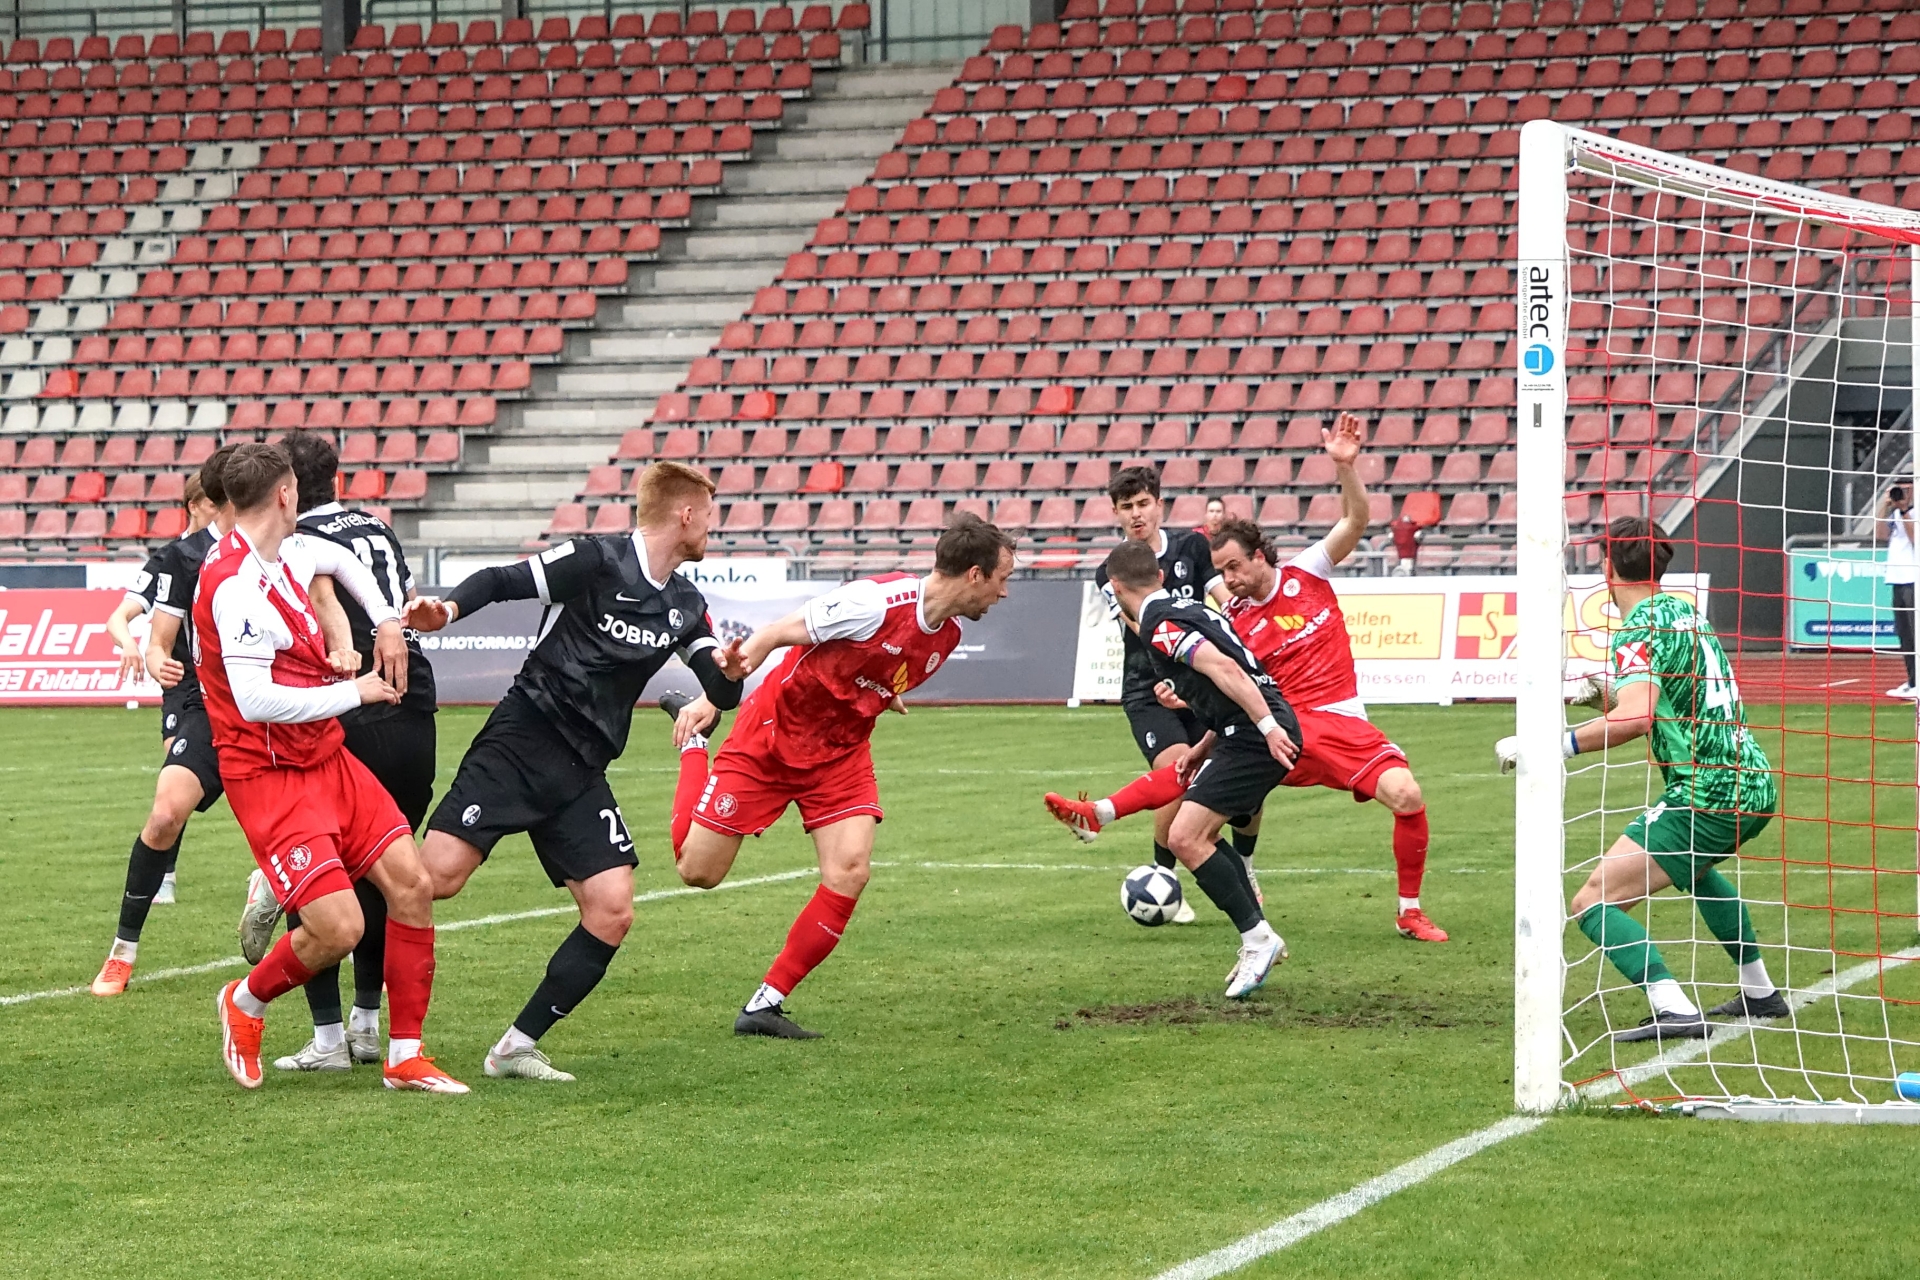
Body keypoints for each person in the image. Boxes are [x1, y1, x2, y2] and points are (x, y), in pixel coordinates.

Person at [1045, 414, 1449, 943]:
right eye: (1223, 572)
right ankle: (1109, 816)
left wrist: (1345, 467)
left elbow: (1355, 521)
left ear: (1260, 557)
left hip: (1341, 722)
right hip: (1280, 725)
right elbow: (1236, 683)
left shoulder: (1309, 571)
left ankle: (1409, 911)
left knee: (1407, 794)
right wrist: (1196, 720)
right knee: (1193, 775)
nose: (1229, 580)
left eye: (1235, 568)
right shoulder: (1234, 621)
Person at [404, 461, 745, 1082]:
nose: (713, 528)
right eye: (711, 513)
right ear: (686, 513)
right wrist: (447, 611)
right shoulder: (595, 560)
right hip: (523, 738)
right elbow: (503, 579)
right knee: (434, 880)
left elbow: (718, 689)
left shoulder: (686, 603)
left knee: (612, 908)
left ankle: (514, 1047)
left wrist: (735, 670)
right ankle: (312, 878)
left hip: (583, 767)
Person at [665, 514, 1016, 1038]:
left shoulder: (948, 635)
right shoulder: (873, 602)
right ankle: (694, 746)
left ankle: (765, 1005)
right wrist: (712, 698)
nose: (1004, 593)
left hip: (841, 755)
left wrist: (881, 691)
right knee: (697, 871)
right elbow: (775, 635)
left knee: (849, 871)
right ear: (973, 574)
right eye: (1002, 579)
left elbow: (880, 667)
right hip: (771, 738)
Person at [197, 443, 463, 1092]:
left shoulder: (288, 549)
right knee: (340, 927)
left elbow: (339, 558)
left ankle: (403, 1055)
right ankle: (246, 1003)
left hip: (326, 756)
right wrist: (359, 690)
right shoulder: (233, 586)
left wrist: (387, 624)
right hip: (270, 775)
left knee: (412, 884)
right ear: (286, 495)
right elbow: (256, 700)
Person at [1497, 516, 1786, 1041]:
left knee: (1592, 902)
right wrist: (1599, 694)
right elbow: (1664, 701)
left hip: (1708, 792)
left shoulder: (1637, 629)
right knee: (1694, 873)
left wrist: (1547, 747)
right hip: (1753, 779)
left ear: (1607, 566)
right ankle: (1760, 992)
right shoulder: (1684, 613)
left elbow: (1636, 718)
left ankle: (1673, 1007)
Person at [1102, 539, 1298, 999]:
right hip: (1237, 732)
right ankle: (1259, 935)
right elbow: (1222, 683)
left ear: (1114, 586)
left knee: (1185, 837)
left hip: (1254, 733)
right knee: (1198, 835)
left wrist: (1267, 728)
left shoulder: (1158, 621)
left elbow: (1226, 669)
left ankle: (1258, 940)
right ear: (1161, 575)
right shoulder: (1184, 606)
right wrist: (1203, 745)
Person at [1058, 466, 1235, 924]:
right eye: (1126, 507)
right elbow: (1137, 625)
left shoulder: (1192, 548)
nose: (1137, 515)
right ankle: (1164, 876)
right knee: (1178, 770)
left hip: (1200, 686)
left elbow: (1222, 596)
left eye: (1143, 504)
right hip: (1147, 686)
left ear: (1159, 504)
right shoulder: (1111, 570)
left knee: (1221, 782)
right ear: (1115, 513)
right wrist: (1176, 652)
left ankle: (1224, 868)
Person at [90, 462, 229, 995]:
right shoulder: (175, 559)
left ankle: (269, 890)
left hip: (263, 700)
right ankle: (123, 950)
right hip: (191, 689)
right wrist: (141, 648)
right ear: (199, 505)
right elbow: (135, 623)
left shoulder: (277, 549)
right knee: (169, 803)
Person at [1881, 483, 1915, 699]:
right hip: (1897, 578)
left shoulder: (1914, 512)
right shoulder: (1894, 512)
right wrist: (1885, 508)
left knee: (1916, 633)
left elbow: (1916, 540)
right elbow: (1881, 535)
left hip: (1914, 579)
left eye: (1906, 488)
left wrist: (1904, 511)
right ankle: (1913, 681)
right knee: (1905, 635)